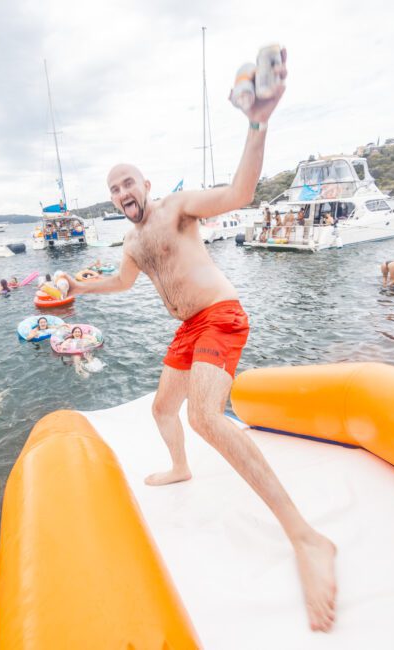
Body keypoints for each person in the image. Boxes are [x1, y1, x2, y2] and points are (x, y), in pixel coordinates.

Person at [64, 49, 337, 633]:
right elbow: (119, 280)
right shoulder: (132, 244)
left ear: (146, 184)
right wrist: (80, 286)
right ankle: (181, 468)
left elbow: (240, 192)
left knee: (207, 415)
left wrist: (257, 121)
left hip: (219, 314)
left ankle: (307, 538)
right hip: (187, 330)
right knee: (165, 408)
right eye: (113, 188)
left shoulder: (178, 210)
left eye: (128, 181)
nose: (121, 192)